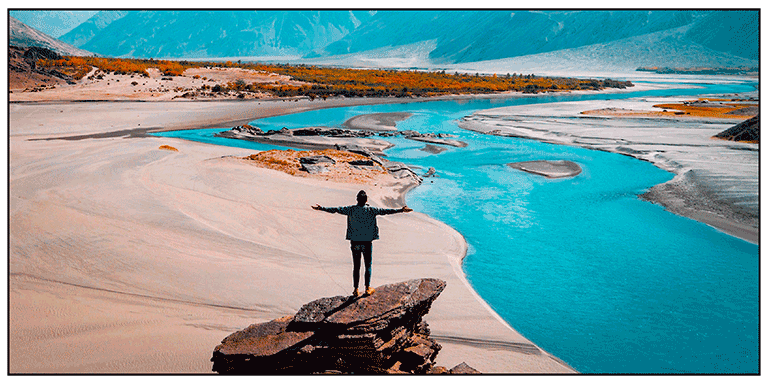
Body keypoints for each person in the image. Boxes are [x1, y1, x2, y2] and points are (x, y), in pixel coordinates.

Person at [312, 190, 413, 297]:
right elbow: (386, 211)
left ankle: (355, 290)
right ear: (366, 200)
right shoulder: (371, 210)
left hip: (354, 242)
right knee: (368, 265)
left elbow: (336, 210)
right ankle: (367, 288)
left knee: (356, 266)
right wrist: (401, 210)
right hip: (367, 242)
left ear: (357, 200)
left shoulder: (350, 209)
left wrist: (321, 208)